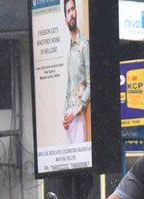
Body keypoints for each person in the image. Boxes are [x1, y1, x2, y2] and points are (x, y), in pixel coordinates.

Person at [62, 0, 90, 145]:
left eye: (73, 9)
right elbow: (69, 84)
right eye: (68, 11)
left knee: (80, 160)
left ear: (76, 11)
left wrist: (77, 111)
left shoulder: (84, 45)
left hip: (79, 115)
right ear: (65, 19)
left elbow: (91, 83)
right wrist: (65, 114)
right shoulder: (70, 50)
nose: (71, 14)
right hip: (69, 115)